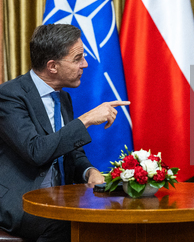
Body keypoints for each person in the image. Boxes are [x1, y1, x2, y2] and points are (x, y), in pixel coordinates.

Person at [0, 24, 130, 241]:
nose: (85, 64)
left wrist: (89, 171)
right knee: (77, 227)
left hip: (59, 200)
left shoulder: (62, 97)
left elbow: (72, 152)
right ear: (52, 66)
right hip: (21, 203)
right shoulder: (10, 96)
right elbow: (36, 151)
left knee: (113, 216)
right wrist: (86, 119)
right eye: (77, 58)